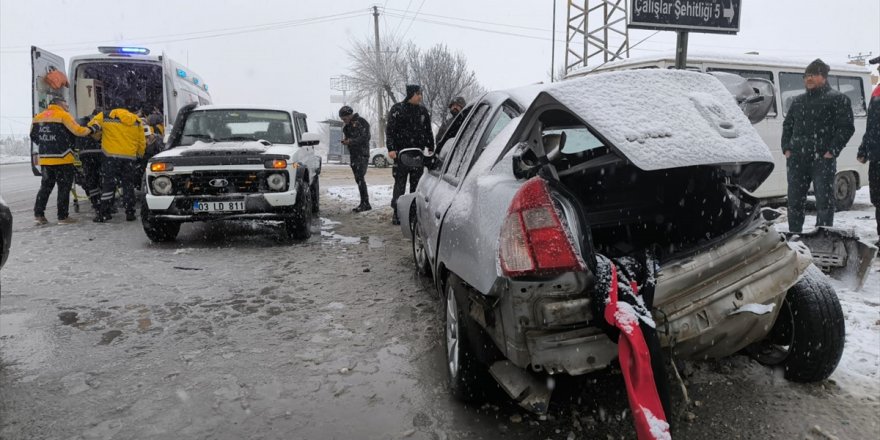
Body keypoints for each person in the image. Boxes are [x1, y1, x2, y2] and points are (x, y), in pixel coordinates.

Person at [781, 59, 855, 233]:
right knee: (794, 201)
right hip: (797, 158)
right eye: (806, 76)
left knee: (824, 201)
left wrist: (832, 151)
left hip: (822, 158)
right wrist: (786, 147)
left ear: (823, 77)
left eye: (813, 75)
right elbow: (787, 125)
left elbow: (846, 128)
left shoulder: (837, 99)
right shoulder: (798, 101)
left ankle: (823, 235)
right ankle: (794, 235)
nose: (809, 79)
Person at [29, 96, 97, 225]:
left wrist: (46, 145)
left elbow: (33, 135)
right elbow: (78, 131)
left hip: (46, 160)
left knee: (45, 188)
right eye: (66, 104)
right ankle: (62, 217)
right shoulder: (64, 116)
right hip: (63, 158)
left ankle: (38, 215)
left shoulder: (38, 117)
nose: (67, 106)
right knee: (64, 188)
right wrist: (92, 129)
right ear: (60, 104)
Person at [88, 101, 146, 222]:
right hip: (129, 158)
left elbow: (92, 126)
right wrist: (139, 155)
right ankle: (130, 212)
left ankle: (104, 213)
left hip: (110, 157)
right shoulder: (136, 121)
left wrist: (98, 136)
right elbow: (142, 142)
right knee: (128, 186)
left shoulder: (105, 116)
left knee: (108, 185)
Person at [386, 84, 434, 225]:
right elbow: (390, 130)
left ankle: (413, 213)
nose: (420, 96)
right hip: (401, 154)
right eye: (418, 94)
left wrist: (431, 146)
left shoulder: (422, 111)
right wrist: (391, 148)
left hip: (417, 154)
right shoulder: (397, 109)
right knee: (399, 185)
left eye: (421, 93)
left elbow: (428, 131)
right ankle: (398, 213)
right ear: (410, 94)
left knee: (416, 186)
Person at [857, 55, 880, 245]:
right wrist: (864, 148)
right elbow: (872, 126)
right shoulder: (877, 92)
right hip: (877, 156)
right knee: (878, 199)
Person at [339, 105, 372, 212]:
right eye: (342, 120)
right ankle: (364, 202)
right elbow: (351, 138)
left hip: (362, 154)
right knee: (358, 179)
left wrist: (351, 141)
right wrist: (347, 141)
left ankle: (365, 203)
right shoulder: (346, 127)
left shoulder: (362, 122)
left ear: (350, 115)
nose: (344, 121)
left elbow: (365, 138)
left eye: (345, 119)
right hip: (353, 155)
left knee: (360, 178)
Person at [75, 110, 104, 213]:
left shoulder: (80, 122)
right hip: (99, 153)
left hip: (84, 154)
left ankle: (95, 202)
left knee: (90, 180)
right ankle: (104, 204)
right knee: (102, 179)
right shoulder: (100, 122)